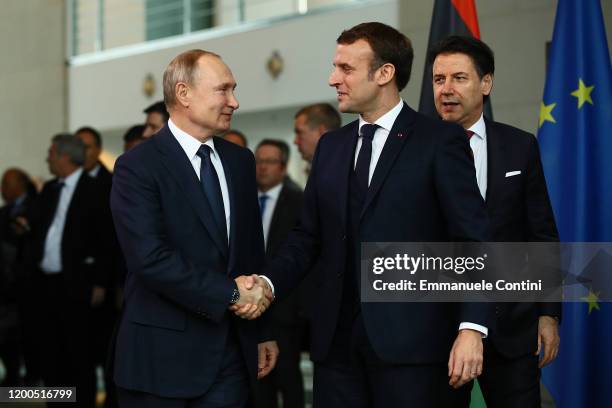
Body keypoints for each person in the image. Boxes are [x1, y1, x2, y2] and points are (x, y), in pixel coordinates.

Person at [238, 22, 492, 407]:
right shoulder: (331, 148)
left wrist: (472, 328)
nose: (332, 79)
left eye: (345, 69)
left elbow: (473, 241)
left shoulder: (440, 141)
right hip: (335, 348)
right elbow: (307, 236)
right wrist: (268, 285)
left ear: (385, 73)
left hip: (414, 350)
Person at [110, 49, 277, 407]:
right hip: (160, 360)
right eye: (223, 90)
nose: (234, 101)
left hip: (231, 355)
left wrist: (262, 330)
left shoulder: (239, 160)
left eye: (234, 89)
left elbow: (251, 251)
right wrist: (230, 294)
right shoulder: (137, 166)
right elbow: (149, 258)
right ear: (183, 94)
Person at [430, 35, 561, 407]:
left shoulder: (519, 146)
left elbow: (541, 235)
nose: (447, 90)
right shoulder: (414, 149)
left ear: (486, 83)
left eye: (459, 78)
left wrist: (549, 314)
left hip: (513, 327)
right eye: (439, 80)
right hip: (439, 329)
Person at [24, 133, 113, 407]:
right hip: (46, 284)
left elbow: (107, 240)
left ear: (64, 156)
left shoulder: (96, 189)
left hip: (79, 284)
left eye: (51, 153)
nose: (47, 158)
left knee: (78, 356)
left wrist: (101, 282)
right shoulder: (49, 189)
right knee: (50, 353)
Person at [253, 139, 305, 408]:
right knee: (259, 387)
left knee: (289, 382)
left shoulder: (298, 202)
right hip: (250, 309)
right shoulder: (244, 200)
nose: (261, 167)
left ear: (283, 167)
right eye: (258, 161)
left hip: (285, 310)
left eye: (269, 161)